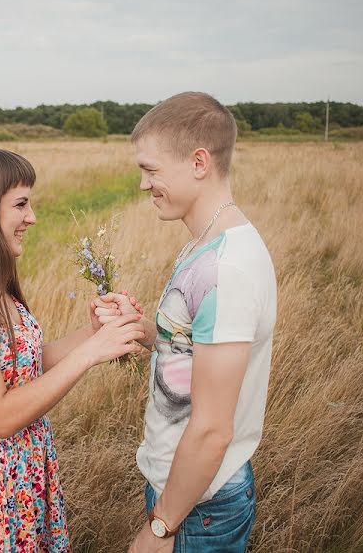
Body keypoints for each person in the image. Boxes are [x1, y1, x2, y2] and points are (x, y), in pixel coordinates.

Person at [0, 146, 146, 552]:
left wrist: (91, 334)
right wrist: (91, 355)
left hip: (23, 476)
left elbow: (26, 367)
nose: (31, 217)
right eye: (21, 204)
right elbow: (0, 416)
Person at [94, 92, 277, 552]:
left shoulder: (226, 269)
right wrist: (141, 328)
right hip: (184, 489)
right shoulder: (205, 245)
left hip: (200, 506)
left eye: (151, 170)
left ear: (199, 162)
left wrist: (160, 528)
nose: (143, 184)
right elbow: (191, 347)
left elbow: (213, 428)